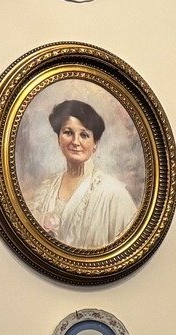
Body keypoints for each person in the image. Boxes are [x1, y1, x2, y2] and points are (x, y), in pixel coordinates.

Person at [28, 98, 138, 250]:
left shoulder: (114, 194)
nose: (75, 142)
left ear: (95, 144)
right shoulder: (46, 189)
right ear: (59, 139)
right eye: (68, 133)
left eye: (84, 135)